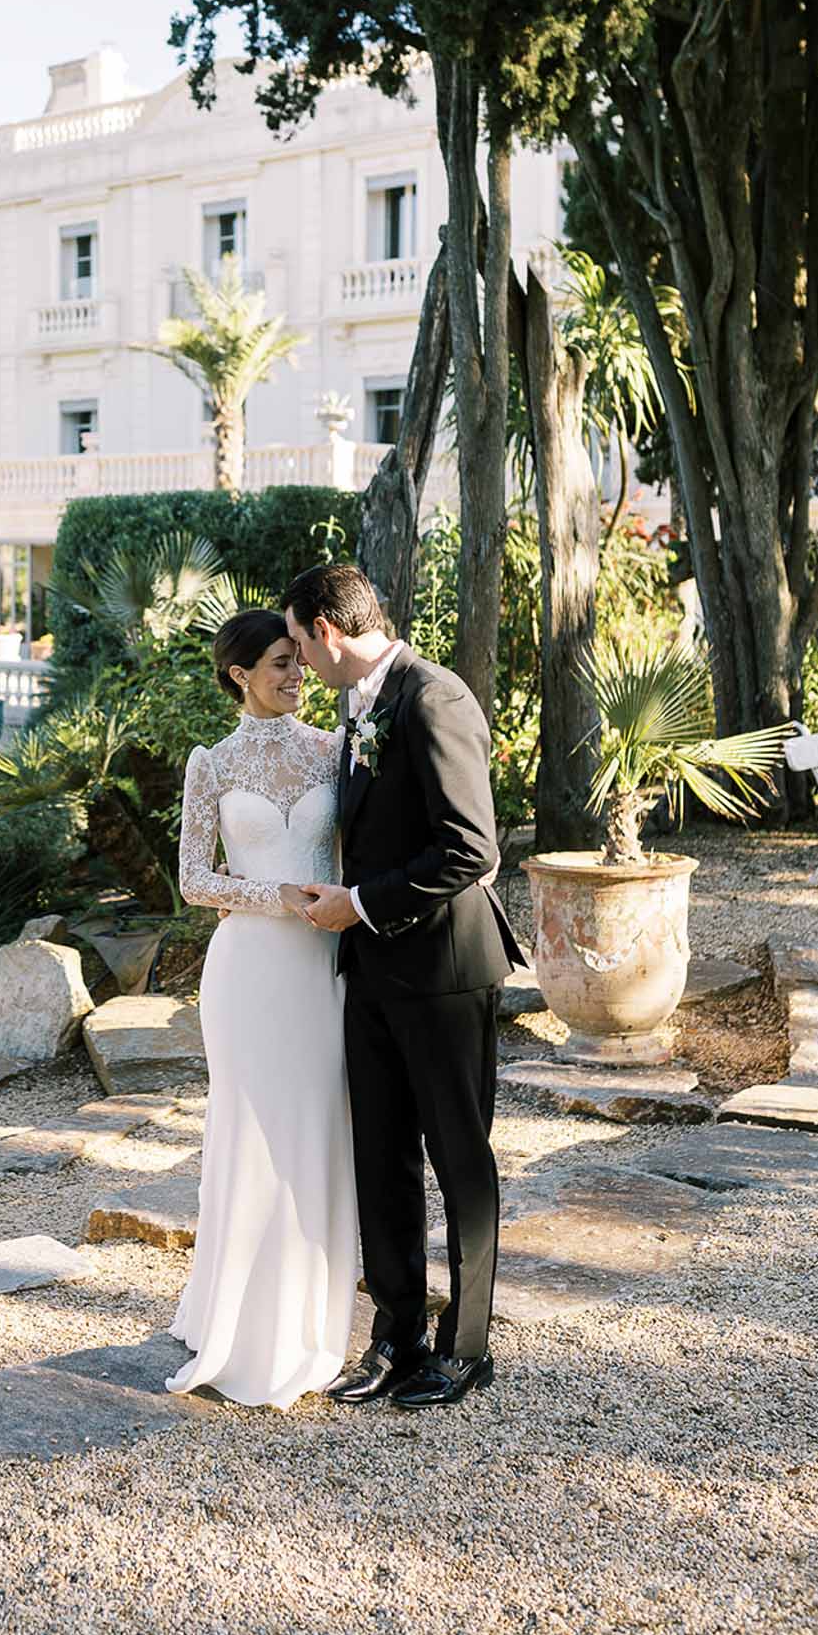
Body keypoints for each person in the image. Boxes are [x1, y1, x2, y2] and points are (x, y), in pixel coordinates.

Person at [283, 562, 524, 1410]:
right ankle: (394, 1336)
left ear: (328, 629)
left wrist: (358, 902)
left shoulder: (434, 698)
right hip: (373, 970)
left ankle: (466, 1347)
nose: (301, 662)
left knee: (459, 1157)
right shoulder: (362, 702)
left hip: (445, 971)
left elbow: (472, 849)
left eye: (302, 644)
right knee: (379, 1157)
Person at [166, 608, 359, 1409]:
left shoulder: (336, 751)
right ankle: (234, 1318)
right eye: (279, 663)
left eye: (298, 661)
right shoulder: (210, 763)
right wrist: (272, 895)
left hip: (322, 969)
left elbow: (354, 859)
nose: (294, 674)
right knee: (247, 1133)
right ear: (240, 674)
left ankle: (312, 1318)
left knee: (316, 1129)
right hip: (246, 970)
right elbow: (192, 878)